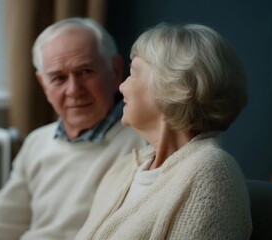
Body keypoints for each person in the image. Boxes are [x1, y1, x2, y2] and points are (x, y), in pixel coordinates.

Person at [0, 18, 146, 240]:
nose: (73, 90)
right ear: (43, 83)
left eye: (85, 71)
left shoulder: (145, 142)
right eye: (58, 78)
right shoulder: (37, 142)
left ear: (116, 70)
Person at [75, 22, 252, 239]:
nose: (122, 87)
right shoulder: (121, 171)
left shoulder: (212, 170)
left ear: (174, 83)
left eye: (133, 73)